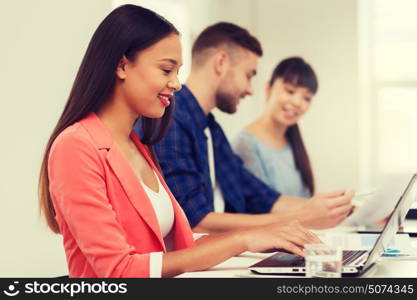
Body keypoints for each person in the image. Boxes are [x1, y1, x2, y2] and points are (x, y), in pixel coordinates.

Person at [38, 5, 319, 278]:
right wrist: (242, 240)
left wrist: (262, 238)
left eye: (177, 71)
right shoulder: (75, 146)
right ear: (122, 65)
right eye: (166, 70)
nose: (177, 83)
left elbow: (179, 249)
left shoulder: (140, 145)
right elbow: (119, 270)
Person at [150, 22, 354, 234]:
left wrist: (332, 208)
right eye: (249, 75)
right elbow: (195, 221)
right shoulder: (171, 120)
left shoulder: (211, 129)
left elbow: (259, 195)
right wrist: (301, 218)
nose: (249, 90)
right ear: (221, 63)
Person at [233, 57, 317, 199]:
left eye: (306, 98)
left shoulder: (293, 141)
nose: (297, 102)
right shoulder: (245, 144)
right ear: (268, 88)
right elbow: (260, 205)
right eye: (290, 91)